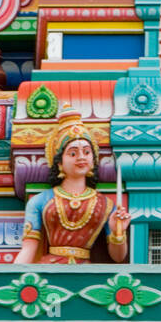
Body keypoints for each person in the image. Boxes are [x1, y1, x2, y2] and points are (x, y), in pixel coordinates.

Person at [14, 105, 130, 263]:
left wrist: (119, 232)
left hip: (85, 273)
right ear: (59, 162)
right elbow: (28, 248)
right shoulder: (40, 201)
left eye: (87, 152)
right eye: (73, 153)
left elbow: (118, 257)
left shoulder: (106, 205)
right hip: (49, 271)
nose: (81, 157)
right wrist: (14, 278)